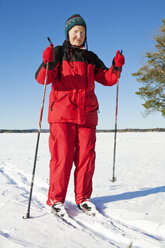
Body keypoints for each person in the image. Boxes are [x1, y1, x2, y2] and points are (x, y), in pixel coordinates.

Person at [35, 14, 125, 217]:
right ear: (68, 33)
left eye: (82, 32)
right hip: (62, 116)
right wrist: (46, 61)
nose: (79, 35)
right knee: (62, 158)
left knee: (86, 159)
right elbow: (43, 79)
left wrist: (116, 66)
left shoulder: (90, 57)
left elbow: (108, 79)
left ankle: (83, 198)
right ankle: (56, 199)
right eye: (75, 31)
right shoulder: (58, 52)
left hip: (87, 117)